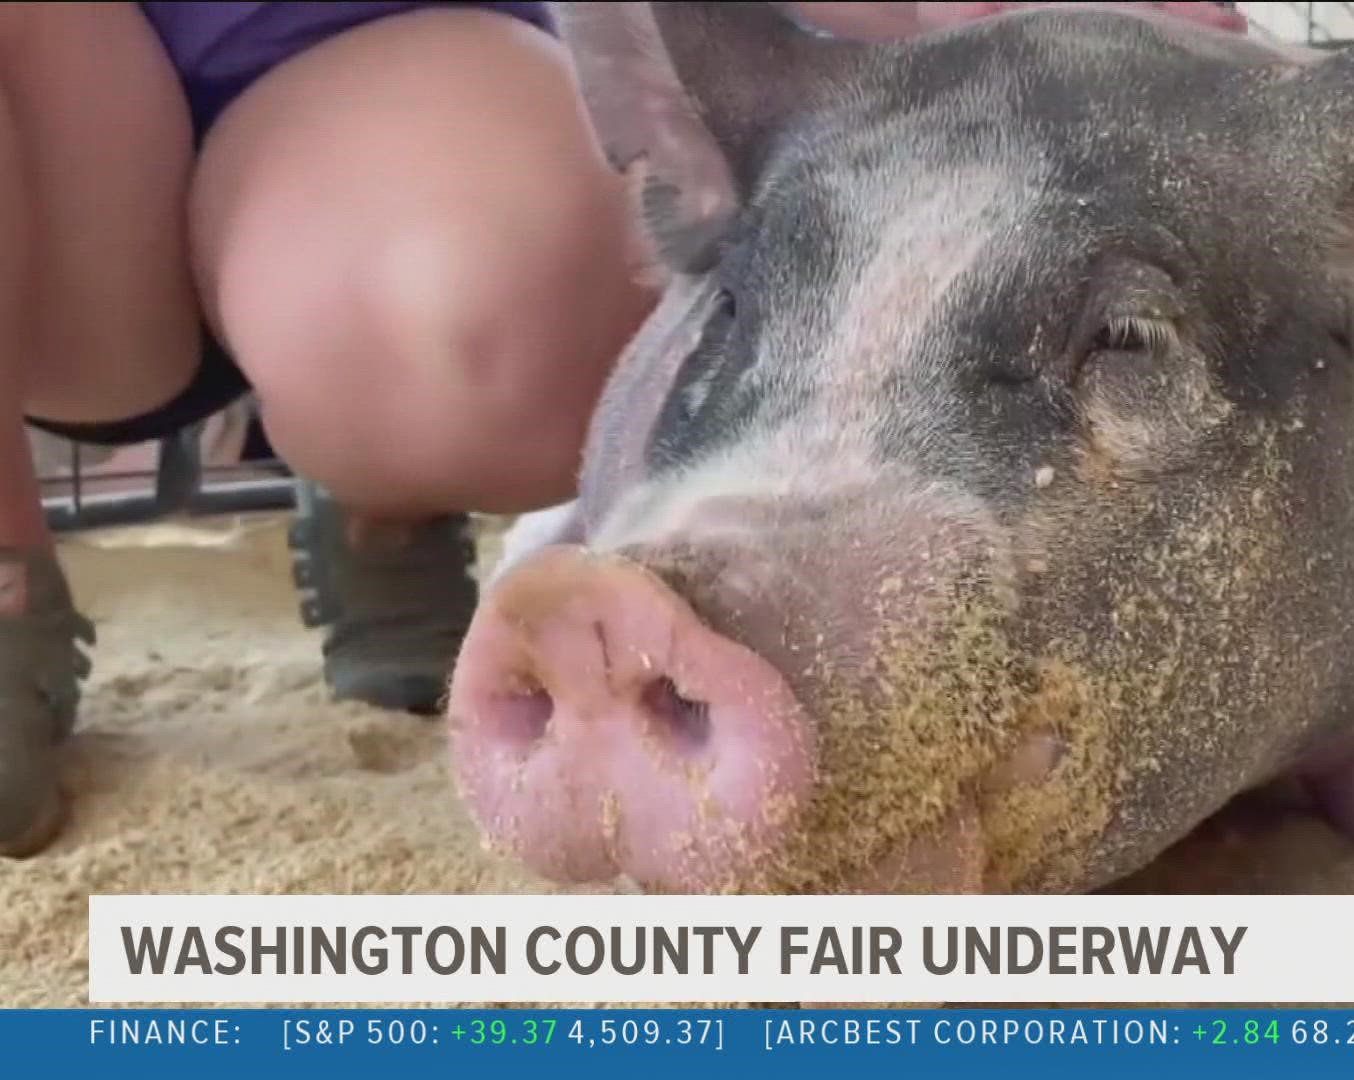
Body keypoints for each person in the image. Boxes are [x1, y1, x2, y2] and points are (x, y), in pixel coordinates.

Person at [0, 0, 1250, 859]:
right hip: (52, 117)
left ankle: (388, 497)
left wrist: (937, 11)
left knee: (498, 302)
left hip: (353, 61)